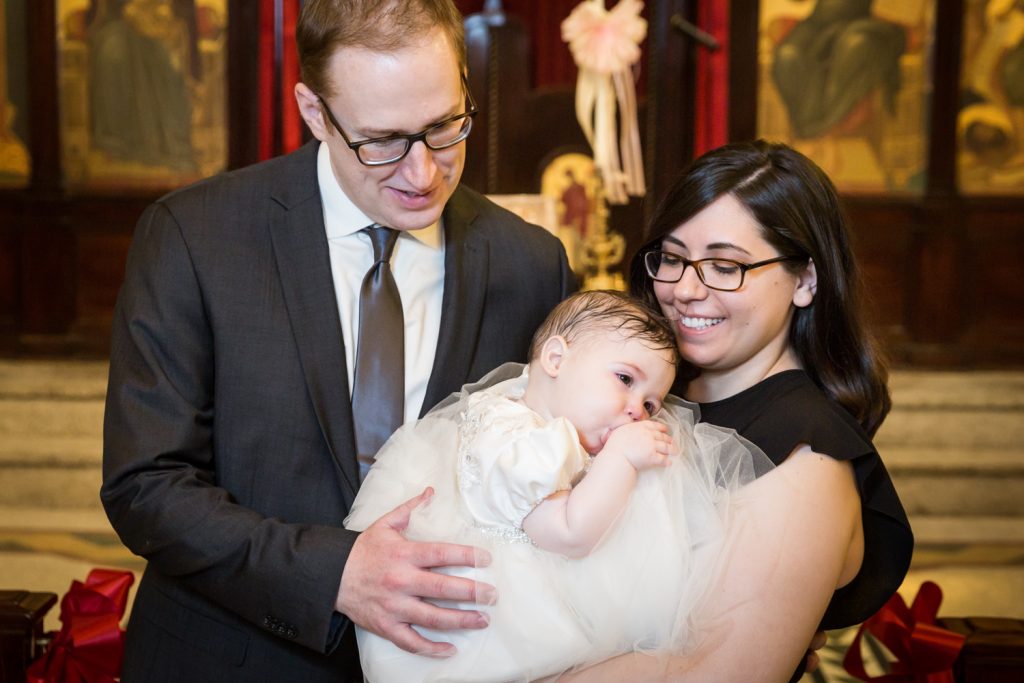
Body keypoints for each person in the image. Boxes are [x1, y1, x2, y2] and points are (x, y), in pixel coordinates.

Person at [100, 0, 574, 680]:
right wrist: (334, 572)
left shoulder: (529, 263)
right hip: (230, 656)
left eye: (445, 127)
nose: (423, 173)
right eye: (381, 141)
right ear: (315, 112)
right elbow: (144, 483)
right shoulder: (194, 236)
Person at [553, 139, 913, 681]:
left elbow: (716, 673)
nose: (686, 290)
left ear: (805, 280)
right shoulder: (646, 400)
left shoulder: (806, 458)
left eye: (725, 266)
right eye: (673, 258)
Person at [345, 290, 771, 682]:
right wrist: (621, 458)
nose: (636, 411)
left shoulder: (553, 433)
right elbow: (570, 533)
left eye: (649, 404)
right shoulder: (519, 443)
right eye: (625, 379)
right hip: (487, 634)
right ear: (555, 359)